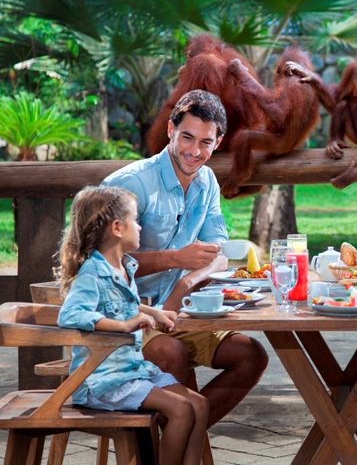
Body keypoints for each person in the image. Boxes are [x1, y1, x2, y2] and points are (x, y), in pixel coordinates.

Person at [102, 89, 268, 428]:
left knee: (250, 355)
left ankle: (180, 439)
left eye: (205, 142)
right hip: (122, 318)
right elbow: (100, 261)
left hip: (177, 313)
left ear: (218, 142)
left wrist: (187, 282)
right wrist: (175, 258)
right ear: (170, 131)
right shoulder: (131, 185)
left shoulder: (206, 181)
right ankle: (180, 443)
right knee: (171, 354)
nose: (194, 151)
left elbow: (218, 250)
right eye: (187, 137)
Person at [57, 186, 209, 465]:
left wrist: (155, 312)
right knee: (182, 411)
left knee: (199, 405)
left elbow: (121, 302)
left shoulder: (123, 266)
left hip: (132, 371)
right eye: (136, 220)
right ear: (117, 228)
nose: (141, 226)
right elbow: (71, 315)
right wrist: (125, 325)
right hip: (103, 380)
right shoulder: (93, 272)